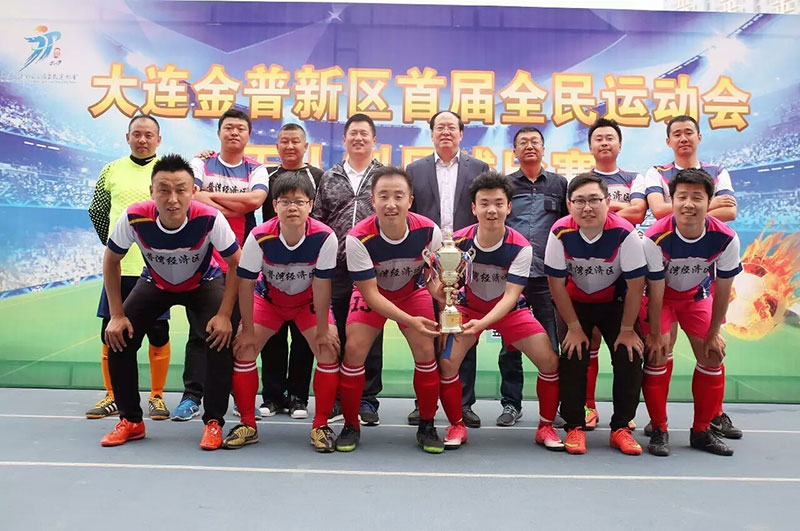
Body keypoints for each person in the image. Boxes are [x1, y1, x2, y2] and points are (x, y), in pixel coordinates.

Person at [99, 154, 240, 450]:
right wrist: (116, 314)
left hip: (204, 283)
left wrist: (225, 314)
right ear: (151, 191)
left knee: (220, 339)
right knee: (117, 338)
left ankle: (213, 422)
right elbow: (111, 260)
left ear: (193, 192)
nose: (172, 199)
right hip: (156, 283)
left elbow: (236, 264)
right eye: (163, 190)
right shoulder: (134, 217)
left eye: (181, 190)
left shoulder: (211, 218)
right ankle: (131, 421)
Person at [436, 171, 563, 451]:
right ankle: (456, 425)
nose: (491, 210)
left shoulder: (520, 247)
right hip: (467, 309)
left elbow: (510, 297)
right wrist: (443, 297)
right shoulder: (455, 243)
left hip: (510, 312)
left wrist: (482, 324)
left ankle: (546, 427)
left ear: (509, 207)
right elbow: (438, 284)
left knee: (549, 361)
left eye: (498, 203)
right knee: (446, 363)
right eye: (484, 203)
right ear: (474, 208)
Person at [644, 114, 742, 440]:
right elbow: (657, 211)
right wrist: (696, 208)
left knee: (713, 352)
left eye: (689, 132)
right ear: (668, 140)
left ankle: (706, 425)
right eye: (677, 133)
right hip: (660, 297)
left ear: (699, 137)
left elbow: (730, 212)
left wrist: (715, 331)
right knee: (658, 350)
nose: (684, 137)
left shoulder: (725, 235)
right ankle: (658, 425)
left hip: (698, 294)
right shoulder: (656, 177)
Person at [226, 173, 340, 451]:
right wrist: (248, 329)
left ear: (310, 205)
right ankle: (248, 424)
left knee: (328, 349)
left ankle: (321, 426)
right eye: (285, 201)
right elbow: (246, 283)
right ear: (274, 205)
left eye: (299, 201)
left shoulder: (325, 236)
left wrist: (323, 329)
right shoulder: (259, 235)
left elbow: (322, 285)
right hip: (269, 301)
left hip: (307, 303)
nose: (292, 208)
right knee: (244, 347)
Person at [337, 166, 444, 453]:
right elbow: (371, 295)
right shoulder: (357, 237)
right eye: (383, 196)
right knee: (354, 350)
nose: (391, 204)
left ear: (410, 200)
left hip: (412, 292)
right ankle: (350, 424)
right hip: (373, 294)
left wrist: (440, 293)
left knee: (426, 350)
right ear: (373, 201)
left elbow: (432, 278)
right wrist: (411, 320)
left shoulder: (429, 231)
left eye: (399, 196)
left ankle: (427, 424)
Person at [173, 108, 269, 422]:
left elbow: (255, 201)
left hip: (239, 261)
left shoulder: (256, 168)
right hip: (202, 260)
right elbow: (193, 196)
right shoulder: (201, 163)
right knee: (200, 331)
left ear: (248, 135)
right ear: (219, 133)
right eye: (228, 127)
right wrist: (230, 204)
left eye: (240, 128)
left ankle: (238, 395)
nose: (234, 132)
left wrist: (209, 198)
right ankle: (192, 395)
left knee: (237, 330)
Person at [544, 173, 647, 455]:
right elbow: (556, 284)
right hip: (575, 304)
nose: (587, 208)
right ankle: (574, 426)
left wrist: (628, 330)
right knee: (573, 354)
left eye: (594, 200)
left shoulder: (624, 232)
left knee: (629, 355)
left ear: (607, 202)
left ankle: (621, 428)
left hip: (616, 304)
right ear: (569, 204)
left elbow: (636, 284)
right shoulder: (560, 231)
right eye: (579, 201)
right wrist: (574, 327)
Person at [406, 110, 489, 428]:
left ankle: (464, 403)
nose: (445, 132)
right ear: (431, 134)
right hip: (427, 261)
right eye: (439, 127)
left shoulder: (478, 168)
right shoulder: (415, 170)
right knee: (427, 331)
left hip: (465, 260)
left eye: (451, 127)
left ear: (461, 133)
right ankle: (423, 403)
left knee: (463, 330)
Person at [86, 115, 171, 421]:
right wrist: (114, 245)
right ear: (127, 137)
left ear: (158, 139)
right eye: (137, 134)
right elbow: (97, 211)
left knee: (158, 332)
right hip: (120, 268)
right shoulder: (111, 170)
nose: (142, 140)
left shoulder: (166, 172)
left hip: (155, 268)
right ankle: (112, 396)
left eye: (149, 135)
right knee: (109, 333)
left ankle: (157, 396)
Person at [311, 113, 384, 426]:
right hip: (337, 267)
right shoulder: (330, 177)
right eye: (353, 133)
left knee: (371, 334)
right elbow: (318, 218)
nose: (358, 138)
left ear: (374, 140)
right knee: (338, 330)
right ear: (344, 139)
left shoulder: (384, 176)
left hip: (373, 267)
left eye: (364, 134)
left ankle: (367, 399)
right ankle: (339, 398)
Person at [497, 126, 567, 427]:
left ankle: (554, 406)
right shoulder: (505, 184)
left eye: (534, 141)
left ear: (543, 148)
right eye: (522, 142)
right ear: (514, 151)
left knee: (550, 343)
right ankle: (511, 404)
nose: (529, 146)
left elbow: (566, 225)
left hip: (547, 278)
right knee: (510, 345)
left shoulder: (559, 184)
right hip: (512, 276)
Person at [583, 117, 648, 429]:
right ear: (590, 146)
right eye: (598, 138)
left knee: (626, 342)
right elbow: (579, 216)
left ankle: (623, 415)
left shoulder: (635, 178)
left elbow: (639, 212)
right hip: (592, 264)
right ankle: (588, 406)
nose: (604, 142)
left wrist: (601, 212)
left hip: (627, 266)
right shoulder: (582, 180)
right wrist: (617, 211)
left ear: (619, 144)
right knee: (591, 342)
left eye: (610, 137)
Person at [257, 123, 324, 420]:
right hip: (272, 266)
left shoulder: (318, 177)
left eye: (295, 141)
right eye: (284, 141)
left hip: (307, 266)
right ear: (277, 146)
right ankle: (272, 396)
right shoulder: (265, 175)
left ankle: (298, 397)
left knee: (302, 338)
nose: (289, 146)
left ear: (305, 146)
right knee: (272, 337)